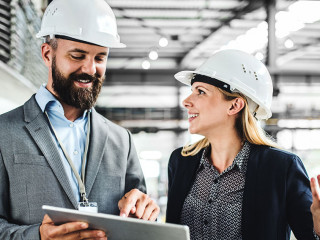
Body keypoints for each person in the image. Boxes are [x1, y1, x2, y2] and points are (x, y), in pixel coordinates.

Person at [0, 0, 159, 239]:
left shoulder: (121, 141)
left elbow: (140, 224)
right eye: (77, 55)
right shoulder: (5, 133)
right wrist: (37, 236)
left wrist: (147, 213)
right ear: (47, 54)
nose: (90, 69)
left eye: (100, 58)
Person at [166, 49, 320, 240]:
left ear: (234, 105)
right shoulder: (181, 161)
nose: (186, 101)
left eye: (200, 92)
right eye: (192, 91)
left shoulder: (281, 167)